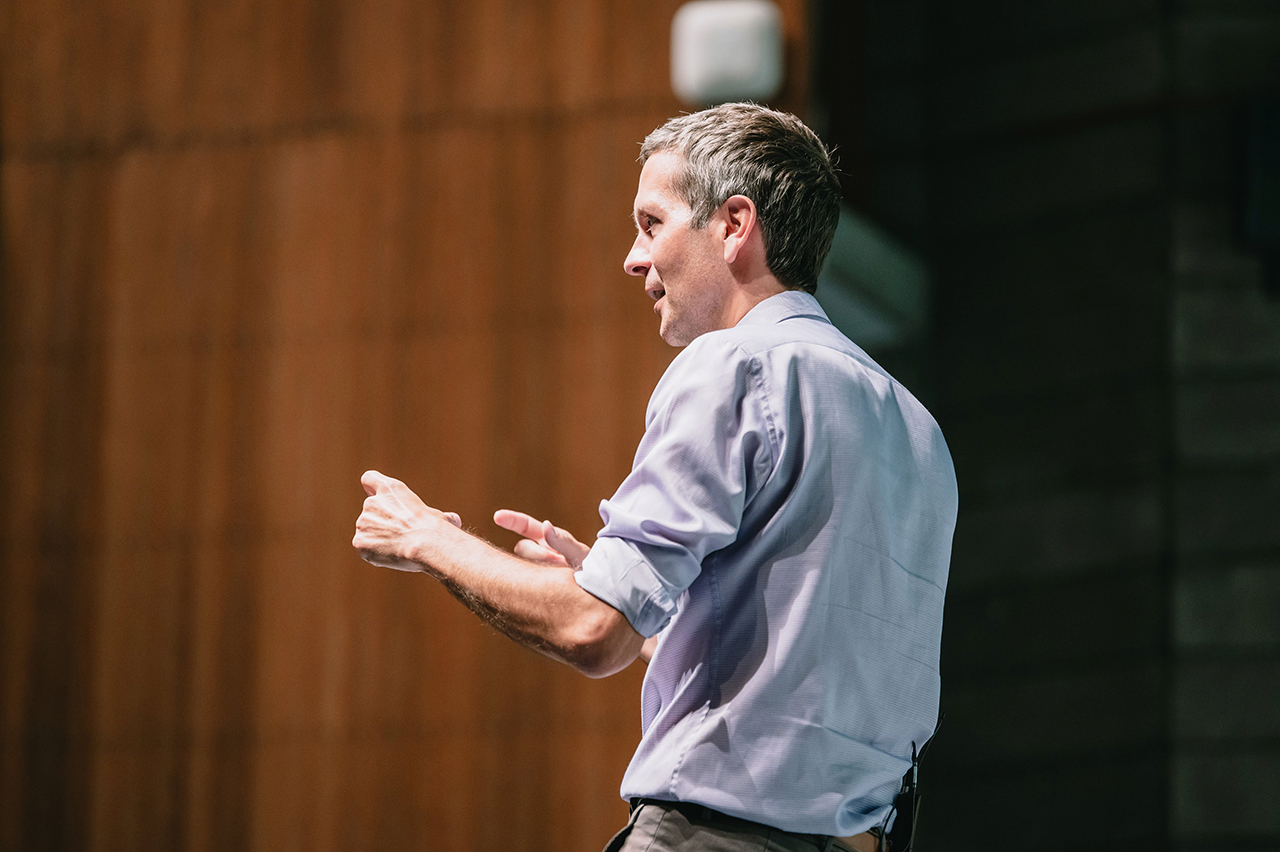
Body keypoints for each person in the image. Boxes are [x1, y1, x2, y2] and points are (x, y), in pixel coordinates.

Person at [353, 103, 958, 852]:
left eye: (652, 223)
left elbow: (590, 631)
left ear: (734, 225)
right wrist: (639, 591)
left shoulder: (733, 364)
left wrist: (428, 541)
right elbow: (794, 675)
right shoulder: (919, 431)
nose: (633, 259)